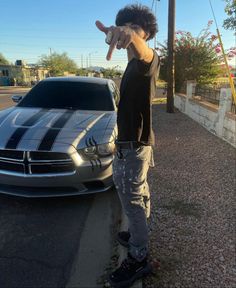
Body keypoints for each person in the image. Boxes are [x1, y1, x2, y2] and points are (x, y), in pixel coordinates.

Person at [96, 3, 159, 287]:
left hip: (134, 145)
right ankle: (137, 235)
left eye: (135, 28)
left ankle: (139, 258)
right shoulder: (133, 64)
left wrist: (129, 33)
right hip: (134, 142)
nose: (128, 34)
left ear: (143, 33)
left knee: (130, 200)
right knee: (139, 194)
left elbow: (143, 49)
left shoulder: (148, 58)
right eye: (126, 27)